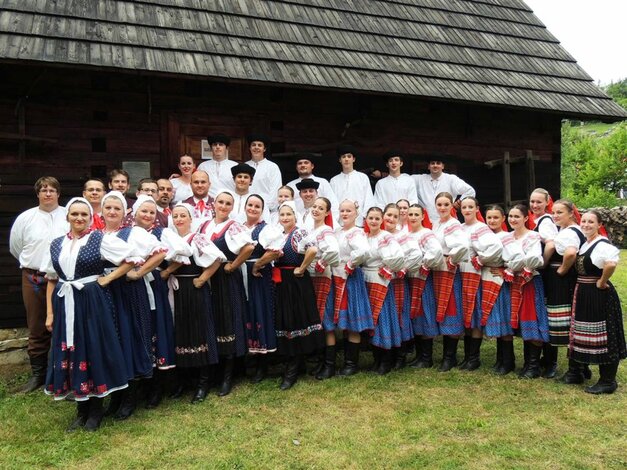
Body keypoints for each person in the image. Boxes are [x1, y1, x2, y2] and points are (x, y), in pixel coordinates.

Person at [42, 197, 135, 431]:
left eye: (84, 214)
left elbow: (132, 258)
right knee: (72, 352)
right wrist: (50, 314)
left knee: (93, 348)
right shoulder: (56, 244)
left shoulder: (98, 239)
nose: (79, 218)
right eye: (75, 214)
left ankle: (95, 410)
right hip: (65, 302)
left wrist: (108, 278)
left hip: (92, 300)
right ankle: (80, 409)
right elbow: (52, 280)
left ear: (90, 217)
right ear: (68, 217)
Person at [251, 201, 326, 390]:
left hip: (295, 282)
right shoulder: (279, 235)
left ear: (295, 216)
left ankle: (292, 369)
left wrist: (301, 268)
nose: (285, 218)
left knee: (295, 321)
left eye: (288, 214)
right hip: (281, 281)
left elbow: (313, 249)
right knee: (285, 320)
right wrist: (259, 264)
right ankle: (295, 364)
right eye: (282, 215)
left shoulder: (299, 232)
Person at [9, 176, 68, 392]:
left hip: (63, 278)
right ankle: (38, 375)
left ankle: (63, 373)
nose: (48, 193)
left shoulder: (68, 216)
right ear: (38, 194)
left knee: (64, 324)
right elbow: (16, 248)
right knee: (36, 325)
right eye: (44, 190)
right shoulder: (26, 218)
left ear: (58, 193)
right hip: (33, 277)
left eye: (52, 189)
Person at [163, 203, 223, 403]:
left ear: (190, 218)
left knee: (199, 330)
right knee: (181, 331)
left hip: (194, 288)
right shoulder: (171, 239)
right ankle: (184, 380)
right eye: (176, 216)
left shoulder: (197, 238)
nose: (179, 219)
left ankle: (203, 382)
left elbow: (216, 259)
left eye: (183, 215)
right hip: (177, 290)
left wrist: (203, 278)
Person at [198, 191, 255, 396]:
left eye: (227, 203)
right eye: (220, 202)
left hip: (225, 278)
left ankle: (227, 377)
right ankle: (212, 373)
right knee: (211, 322)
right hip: (207, 277)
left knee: (227, 322)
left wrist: (234, 265)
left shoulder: (234, 226)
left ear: (232, 207)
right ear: (214, 204)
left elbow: (248, 247)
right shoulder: (204, 225)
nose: (223, 206)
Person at [570, 210, 626, 394]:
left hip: (598, 294)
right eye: (583, 221)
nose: (585, 224)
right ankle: (586, 370)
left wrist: (602, 282)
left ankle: (608, 381)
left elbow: (610, 263)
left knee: (605, 334)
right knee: (589, 332)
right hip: (586, 292)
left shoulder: (601, 244)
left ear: (599, 224)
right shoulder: (587, 243)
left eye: (590, 222)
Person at [546, 199, 588, 384]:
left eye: (559, 212)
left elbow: (570, 253)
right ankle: (582, 366)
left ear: (571, 213)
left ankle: (575, 370)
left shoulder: (570, 232)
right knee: (572, 319)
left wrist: (562, 270)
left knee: (566, 321)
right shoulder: (569, 230)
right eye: (553, 212)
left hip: (562, 281)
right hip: (569, 280)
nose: (555, 215)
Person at [330, 200, 373, 375]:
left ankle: (351, 363)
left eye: (349, 210)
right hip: (336, 276)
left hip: (350, 277)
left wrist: (350, 263)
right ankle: (345, 360)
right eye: (342, 211)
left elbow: (363, 252)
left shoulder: (357, 232)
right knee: (343, 319)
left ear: (356, 213)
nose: (345, 213)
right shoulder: (337, 231)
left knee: (353, 319)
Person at [458, 197, 503, 371]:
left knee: (475, 315)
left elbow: (495, 248)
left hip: (474, 274)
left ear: (477, 208)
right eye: (464, 207)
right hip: (461, 274)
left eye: (471, 207)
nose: (467, 210)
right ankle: (467, 356)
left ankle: (474, 358)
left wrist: (480, 259)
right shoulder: (460, 228)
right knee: (466, 315)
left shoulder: (481, 228)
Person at [242, 194, 282, 382]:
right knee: (246, 313)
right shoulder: (239, 228)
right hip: (240, 274)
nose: (253, 208)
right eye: (250, 205)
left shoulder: (266, 229)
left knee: (260, 312)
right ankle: (249, 358)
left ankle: (263, 362)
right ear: (245, 207)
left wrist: (257, 265)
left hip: (259, 275)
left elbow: (274, 252)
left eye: (257, 206)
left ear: (262, 209)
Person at [362, 207, 405, 375]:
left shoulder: (386, 237)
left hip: (380, 280)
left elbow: (399, 256)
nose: (373, 221)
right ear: (366, 219)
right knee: (371, 320)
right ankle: (376, 359)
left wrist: (388, 268)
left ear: (382, 220)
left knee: (381, 319)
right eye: (370, 218)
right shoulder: (364, 237)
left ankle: (386, 360)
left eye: (376, 218)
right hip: (366, 279)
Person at [507, 204, 549, 378]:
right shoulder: (507, 237)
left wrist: (518, 263)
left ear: (526, 218)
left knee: (531, 317)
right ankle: (527, 364)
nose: (513, 219)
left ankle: (533, 366)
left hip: (529, 281)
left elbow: (533, 258)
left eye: (517, 216)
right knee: (521, 319)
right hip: (513, 281)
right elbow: (505, 259)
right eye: (510, 216)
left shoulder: (533, 236)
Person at [483, 205, 524, 375]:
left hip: (502, 284)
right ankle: (500, 359)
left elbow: (517, 258)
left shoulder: (506, 238)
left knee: (505, 320)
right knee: (496, 320)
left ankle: (508, 361)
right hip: (487, 280)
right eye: (489, 218)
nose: (492, 221)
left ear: (502, 219)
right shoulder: (484, 236)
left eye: (495, 217)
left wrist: (505, 270)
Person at [431, 192, 470, 372]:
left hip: (449, 271)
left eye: (446, 204)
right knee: (441, 308)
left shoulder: (453, 224)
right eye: (439, 204)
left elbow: (462, 246)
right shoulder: (437, 224)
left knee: (451, 310)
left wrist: (452, 260)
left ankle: (450, 357)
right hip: (436, 271)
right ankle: (445, 355)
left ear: (451, 206)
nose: (442, 208)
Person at [404, 204, 443, 369]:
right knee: (415, 315)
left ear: (422, 216)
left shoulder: (426, 233)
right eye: (410, 214)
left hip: (423, 278)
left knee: (425, 313)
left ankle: (427, 358)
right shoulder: (406, 234)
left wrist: (424, 263)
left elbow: (436, 251)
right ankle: (419, 355)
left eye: (416, 214)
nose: (413, 217)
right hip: (409, 278)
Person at [306, 197, 340, 380]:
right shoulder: (311, 230)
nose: (316, 210)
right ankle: (320, 361)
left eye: (321, 208)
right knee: (317, 319)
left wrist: (321, 262)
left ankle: (330, 365)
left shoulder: (326, 230)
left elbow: (333, 251)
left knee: (326, 321)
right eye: (314, 207)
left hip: (322, 278)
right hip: (311, 278)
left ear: (327, 212)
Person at [529, 188, 560, 378]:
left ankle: (551, 362)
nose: (534, 205)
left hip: (547, 275)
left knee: (547, 315)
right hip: (543, 274)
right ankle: (544, 359)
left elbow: (550, 244)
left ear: (547, 201)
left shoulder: (546, 221)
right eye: (532, 201)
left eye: (539, 202)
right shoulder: (538, 220)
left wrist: (543, 263)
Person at [382, 203, 416, 369]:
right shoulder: (376, 234)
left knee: (399, 314)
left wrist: (402, 269)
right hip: (380, 281)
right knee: (385, 316)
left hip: (396, 282)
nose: (391, 219)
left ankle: (400, 355)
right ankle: (386, 353)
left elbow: (415, 254)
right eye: (389, 215)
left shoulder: (403, 236)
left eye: (395, 216)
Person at [329, 145, 375, 226]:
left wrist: (365, 217)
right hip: (340, 223)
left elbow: (369, 199)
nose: (346, 159)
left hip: (359, 222)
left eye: (349, 156)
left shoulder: (363, 177)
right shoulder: (334, 180)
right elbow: (332, 202)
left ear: (353, 159)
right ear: (340, 160)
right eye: (343, 157)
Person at [287, 152, 339, 221]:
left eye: (306, 163)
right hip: (297, 223)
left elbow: (333, 203)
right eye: (300, 163)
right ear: (296, 167)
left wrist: (329, 222)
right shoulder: (290, 185)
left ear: (312, 166)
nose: (303, 165)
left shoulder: (323, 182)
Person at [245, 133, 283, 212]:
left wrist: (266, 208)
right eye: (253, 145)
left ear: (264, 149)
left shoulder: (272, 167)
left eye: (259, 145)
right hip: (247, 208)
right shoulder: (245, 166)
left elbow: (275, 189)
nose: (256, 147)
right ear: (250, 148)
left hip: (266, 209)